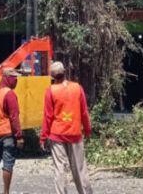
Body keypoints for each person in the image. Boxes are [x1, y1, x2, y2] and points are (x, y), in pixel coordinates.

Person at [40, 62, 93, 194]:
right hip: (75, 134)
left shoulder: (51, 91)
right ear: (65, 72)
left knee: (60, 169)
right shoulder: (77, 88)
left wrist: (43, 137)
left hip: (57, 134)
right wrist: (87, 131)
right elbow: (84, 112)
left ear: (52, 75)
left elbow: (48, 116)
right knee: (80, 169)